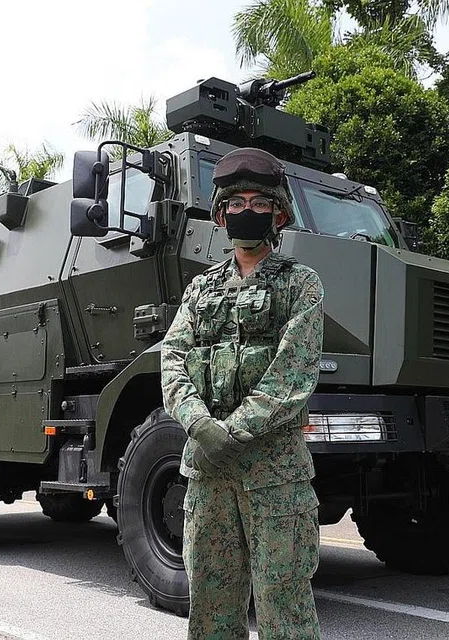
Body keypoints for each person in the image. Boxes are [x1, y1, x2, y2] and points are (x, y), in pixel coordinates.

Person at [160, 147, 325, 639]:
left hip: (275, 476)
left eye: (258, 202)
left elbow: (292, 375)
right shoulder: (199, 290)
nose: (246, 211)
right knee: (211, 603)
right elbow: (171, 360)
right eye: (236, 203)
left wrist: (231, 431)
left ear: (277, 213)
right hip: (208, 474)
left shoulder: (301, 284)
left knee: (284, 604)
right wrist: (200, 425)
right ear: (220, 214)